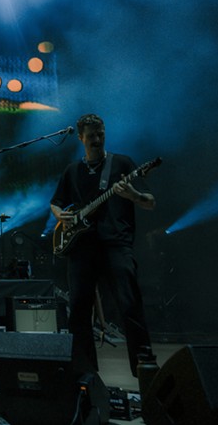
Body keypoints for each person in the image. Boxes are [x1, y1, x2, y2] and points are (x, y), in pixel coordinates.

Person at [49, 113, 156, 378]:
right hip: (81, 248)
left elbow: (150, 201)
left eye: (101, 133)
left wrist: (133, 194)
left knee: (129, 305)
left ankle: (144, 369)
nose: (97, 139)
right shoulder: (72, 170)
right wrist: (59, 215)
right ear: (81, 137)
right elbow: (56, 202)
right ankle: (86, 374)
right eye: (92, 135)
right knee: (79, 313)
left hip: (116, 244)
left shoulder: (122, 163)